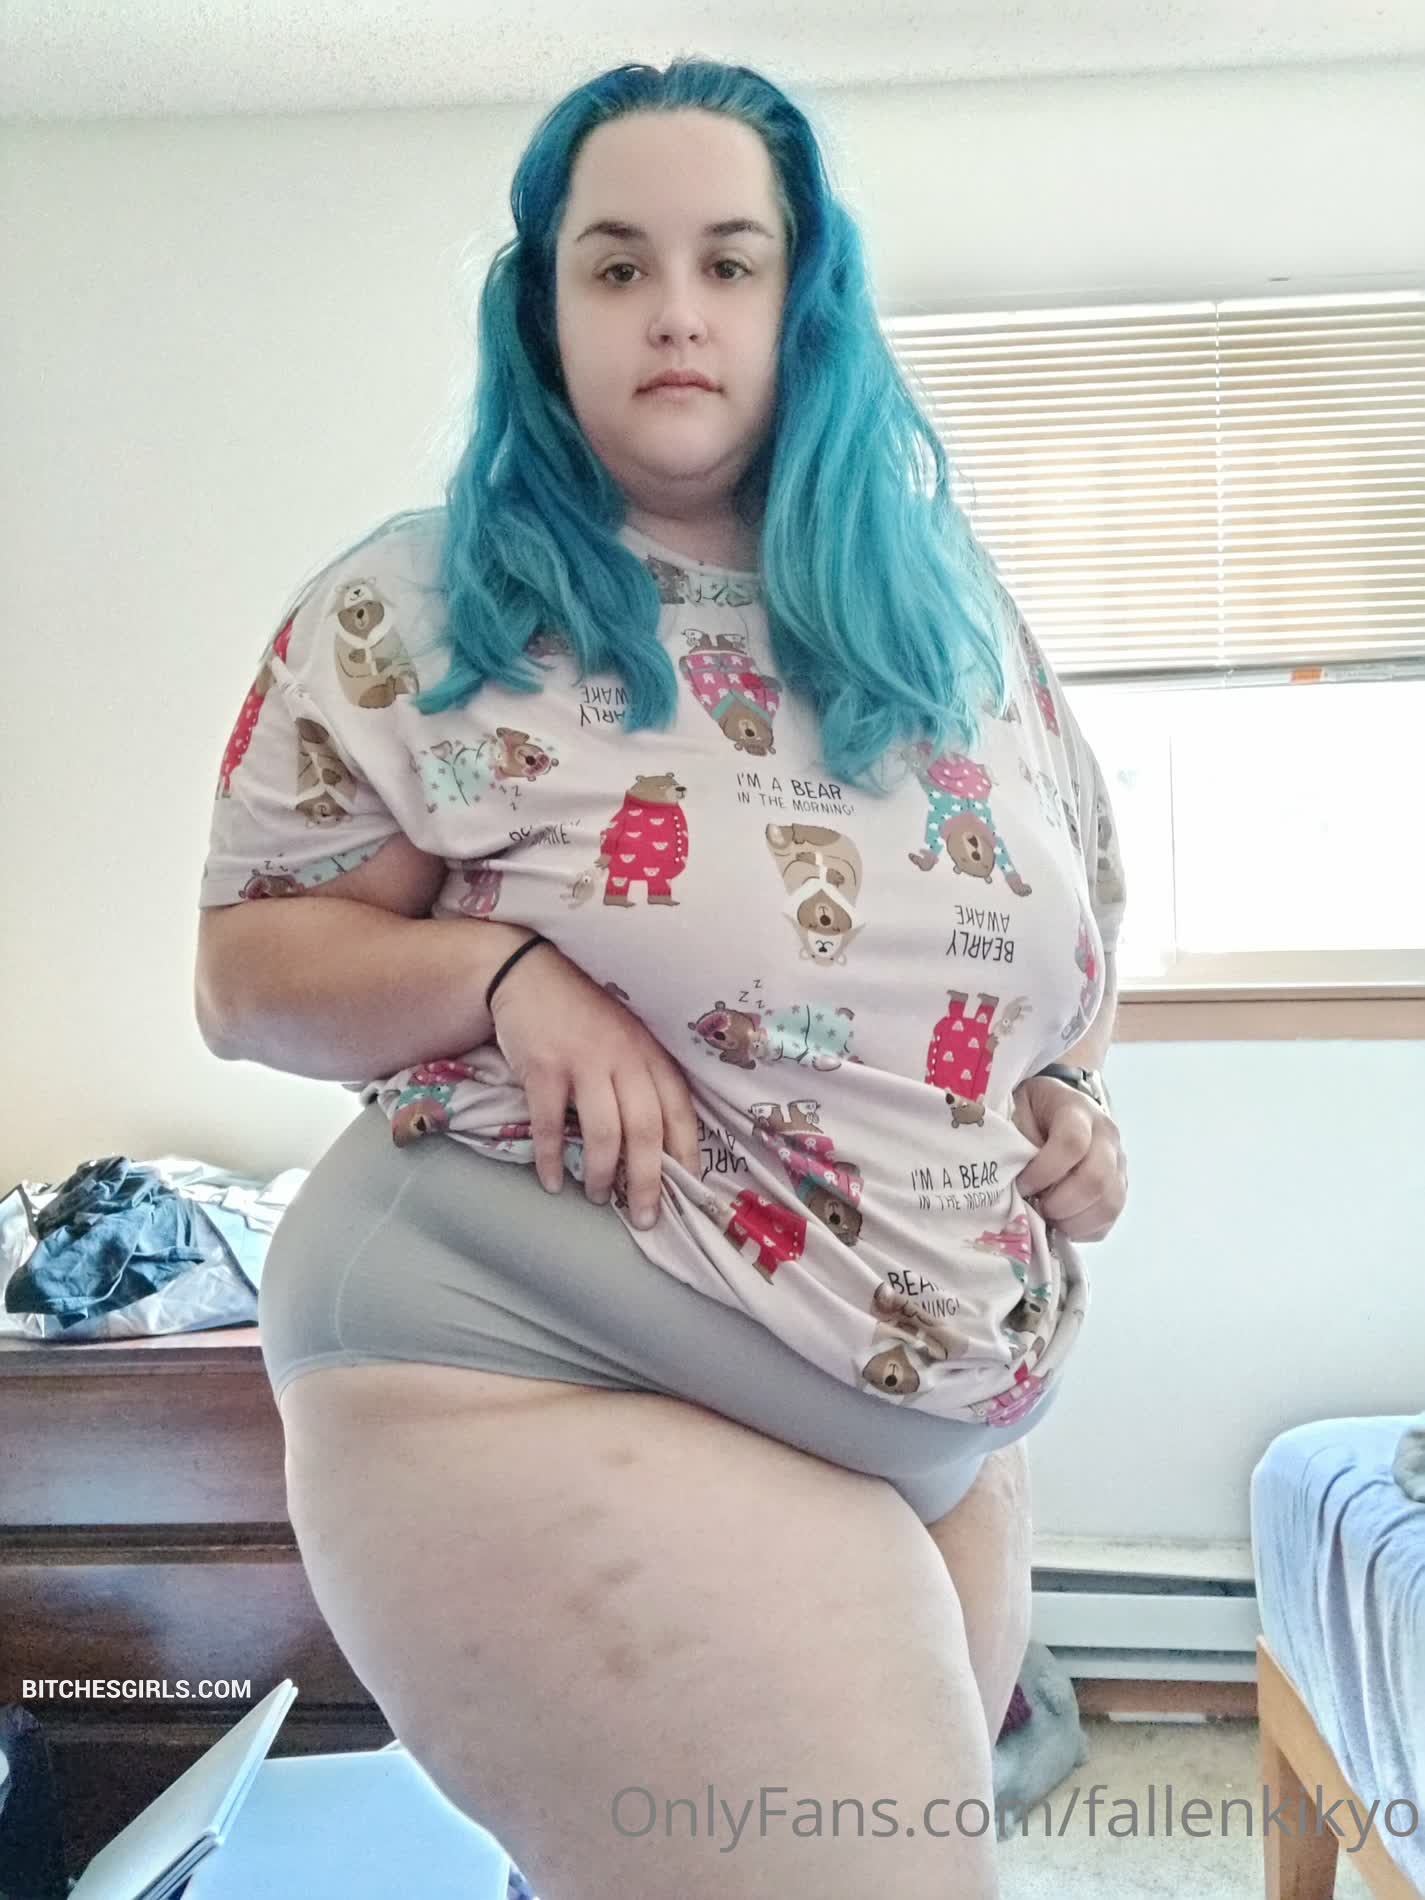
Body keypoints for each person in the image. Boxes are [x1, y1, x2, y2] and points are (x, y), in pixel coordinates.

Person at [195, 58, 1128, 1900]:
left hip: (938, 1390)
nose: (676, 311)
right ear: (543, 310)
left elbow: (1054, 942)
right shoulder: (416, 608)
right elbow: (246, 979)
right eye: (616, 266)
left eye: (729, 261)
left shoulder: (941, 610)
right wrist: (500, 975)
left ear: (802, 299)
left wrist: (1068, 1098)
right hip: (545, 1346)